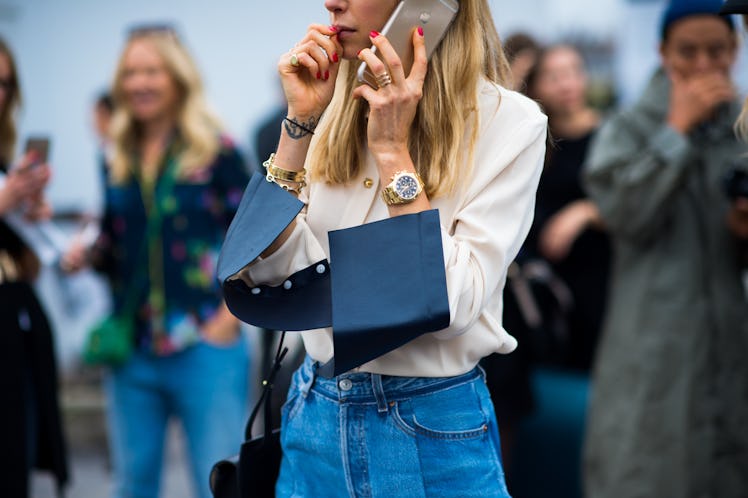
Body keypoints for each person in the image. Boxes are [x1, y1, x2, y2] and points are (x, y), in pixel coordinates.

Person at [218, 0, 547, 495]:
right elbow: (270, 278)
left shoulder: (511, 123)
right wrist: (298, 128)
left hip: (430, 425)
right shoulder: (331, 106)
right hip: (315, 412)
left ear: (426, 7)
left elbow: (452, 304)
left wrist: (395, 156)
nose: (332, 2)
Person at [62, 25, 251, 498]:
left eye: (151, 71)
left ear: (177, 77)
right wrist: (86, 254)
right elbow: (116, 238)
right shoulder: (115, 155)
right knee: (131, 484)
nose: (138, 83)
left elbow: (255, 236)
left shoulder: (217, 150)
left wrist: (229, 318)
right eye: (129, 73)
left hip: (205, 342)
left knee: (218, 484)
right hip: (134, 349)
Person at [582, 1, 748, 496]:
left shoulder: (740, 129)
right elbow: (623, 214)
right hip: (652, 359)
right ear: (661, 52)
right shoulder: (628, 127)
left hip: (730, 353)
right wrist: (674, 132)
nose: (703, 66)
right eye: (688, 52)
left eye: (716, 52)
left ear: (735, 50)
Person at [0, 37, 68, 497]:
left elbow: (28, 267)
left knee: (12, 462)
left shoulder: (5, 158)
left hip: (12, 326)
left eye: (5, 83)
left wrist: (31, 220)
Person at [524, 44, 610, 371]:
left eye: (575, 72)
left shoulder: (609, 136)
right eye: (554, 76)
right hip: (545, 288)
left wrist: (585, 212)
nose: (568, 84)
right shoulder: (532, 143)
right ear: (534, 87)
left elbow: (636, 204)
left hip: (600, 281)